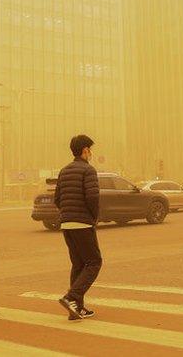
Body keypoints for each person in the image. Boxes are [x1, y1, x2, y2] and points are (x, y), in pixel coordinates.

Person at [54, 135, 101, 320]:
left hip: (67, 224)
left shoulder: (64, 171)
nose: (91, 153)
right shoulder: (88, 170)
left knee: (79, 264)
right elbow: (92, 197)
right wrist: (93, 217)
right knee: (94, 262)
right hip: (82, 223)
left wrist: (67, 214)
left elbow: (57, 199)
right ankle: (71, 297)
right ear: (85, 150)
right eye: (90, 149)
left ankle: (76, 308)